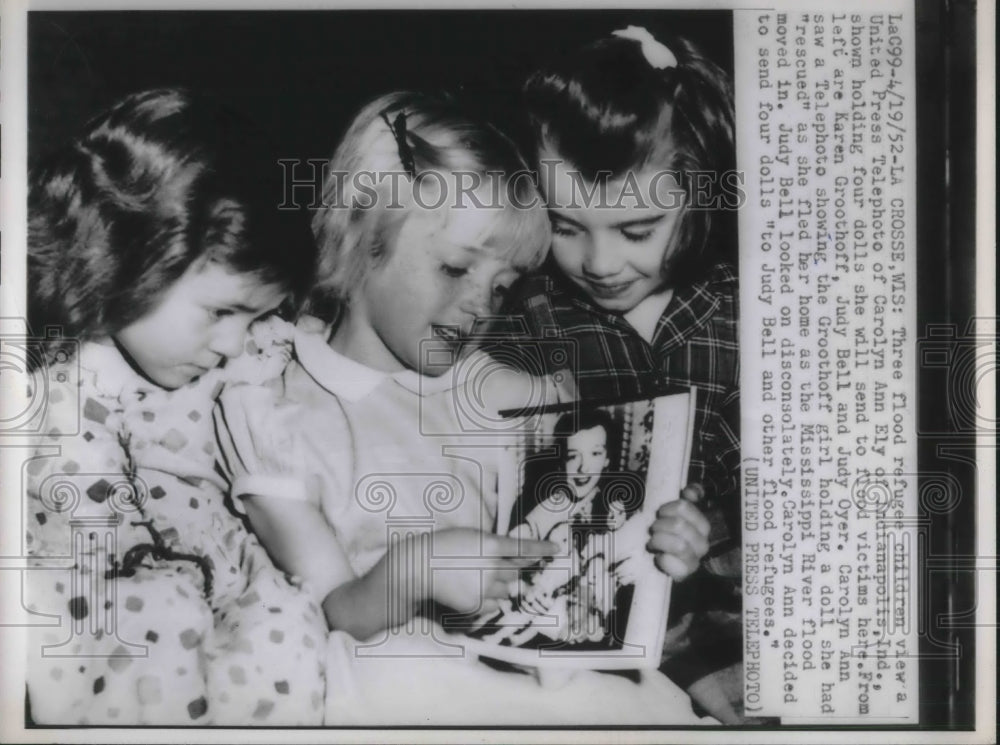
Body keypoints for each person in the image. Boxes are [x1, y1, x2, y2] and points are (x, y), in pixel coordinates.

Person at [215, 91, 710, 725]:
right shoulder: (276, 412)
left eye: (502, 287)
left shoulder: (507, 393)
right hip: (402, 675)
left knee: (634, 695)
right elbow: (331, 617)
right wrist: (415, 570)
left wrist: (660, 539)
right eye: (455, 269)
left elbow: (587, 553)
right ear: (360, 235)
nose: (481, 305)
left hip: (529, 666)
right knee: (384, 673)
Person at [23, 88, 326, 725]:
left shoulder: (237, 360)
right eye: (222, 311)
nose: (233, 344)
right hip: (107, 583)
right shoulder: (66, 381)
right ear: (128, 257)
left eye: (256, 317)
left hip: (224, 576)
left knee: (290, 623)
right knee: (156, 620)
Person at [496, 26, 743, 722]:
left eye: (637, 230)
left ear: (702, 193)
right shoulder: (525, 321)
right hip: (582, 622)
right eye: (565, 225)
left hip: (733, 618)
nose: (600, 264)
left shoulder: (749, 315)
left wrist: (709, 527)